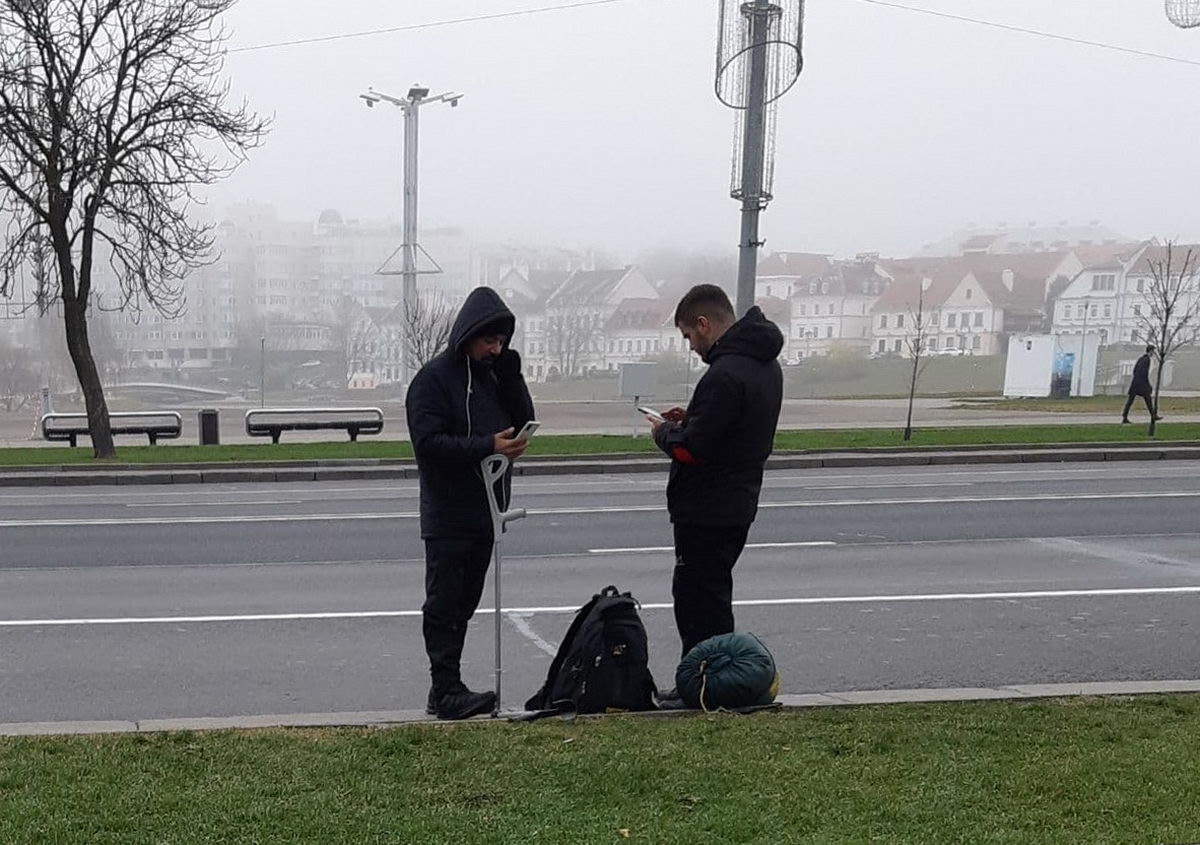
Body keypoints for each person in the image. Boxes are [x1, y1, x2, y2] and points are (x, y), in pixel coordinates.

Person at [405, 286, 534, 720]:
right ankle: (445, 689)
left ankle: (445, 685)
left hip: (487, 507)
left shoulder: (495, 376)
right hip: (447, 509)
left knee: (466, 600)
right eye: (488, 342)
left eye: (501, 343)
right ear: (468, 335)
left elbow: (521, 418)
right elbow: (428, 445)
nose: (494, 350)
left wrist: (512, 374)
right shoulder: (433, 381)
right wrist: (485, 446)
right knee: (444, 601)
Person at [648, 284, 784, 671]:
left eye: (688, 335)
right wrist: (692, 418)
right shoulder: (764, 365)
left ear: (704, 324)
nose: (690, 346)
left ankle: (704, 676)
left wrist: (662, 432)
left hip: (706, 508)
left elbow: (693, 450)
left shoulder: (724, 374)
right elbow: (731, 429)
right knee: (714, 595)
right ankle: (715, 672)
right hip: (737, 501)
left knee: (698, 602)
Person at [1122, 344, 1161, 424]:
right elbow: (1144, 373)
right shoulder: (1147, 360)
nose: (1153, 353)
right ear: (1150, 351)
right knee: (1148, 399)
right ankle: (1153, 415)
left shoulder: (1140, 358)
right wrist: (1148, 384)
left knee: (1130, 400)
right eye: (1153, 351)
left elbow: (1135, 370)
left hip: (1135, 382)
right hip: (1141, 383)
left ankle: (1124, 416)